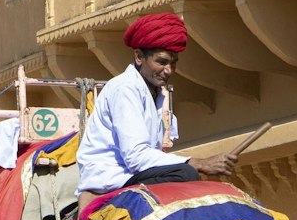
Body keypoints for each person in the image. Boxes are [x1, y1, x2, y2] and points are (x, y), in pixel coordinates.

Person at [75, 12, 239, 203]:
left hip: (135, 175)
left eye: (173, 63)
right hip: (113, 178)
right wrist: (198, 163)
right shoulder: (125, 88)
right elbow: (136, 157)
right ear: (139, 57)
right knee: (185, 174)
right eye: (161, 62)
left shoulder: (156, 93)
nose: (168, 70)